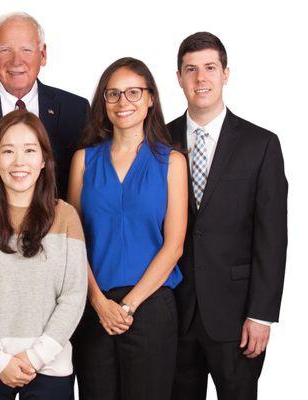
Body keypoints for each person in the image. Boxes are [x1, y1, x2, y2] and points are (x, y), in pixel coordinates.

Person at [168, 32, 288, 400]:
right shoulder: (159, 139)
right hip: (175, 312)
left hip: (237, 317)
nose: (200, 79)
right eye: (191, 70)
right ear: (179, 77)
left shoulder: (261, 144)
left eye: (209, 68)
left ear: (225, 74)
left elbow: (272, 235)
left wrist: (262, 314)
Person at [69, 57, 188, 400]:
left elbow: (174, 245)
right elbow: (73, 242)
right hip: (94, 306)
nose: (124, 103)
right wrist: (99, 301)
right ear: (102, 102)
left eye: (134, 93)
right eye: (114, 94)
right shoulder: (83, 161)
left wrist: (129, 305)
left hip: (150, 307)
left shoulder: (172, 162)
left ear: (151, 98)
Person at [0, 110, 87, 399]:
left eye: (29, 150)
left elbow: (73, 295)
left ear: (44, 161)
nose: (19, 161)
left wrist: (35, 357)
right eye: (8, 151)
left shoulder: (66, 217)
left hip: (49, 367)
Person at [0, 11, 89, 198]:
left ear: (43, 54)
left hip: (58, 224)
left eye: (26, 49)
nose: (16, 61)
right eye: (5, 50)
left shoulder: (75, 110)